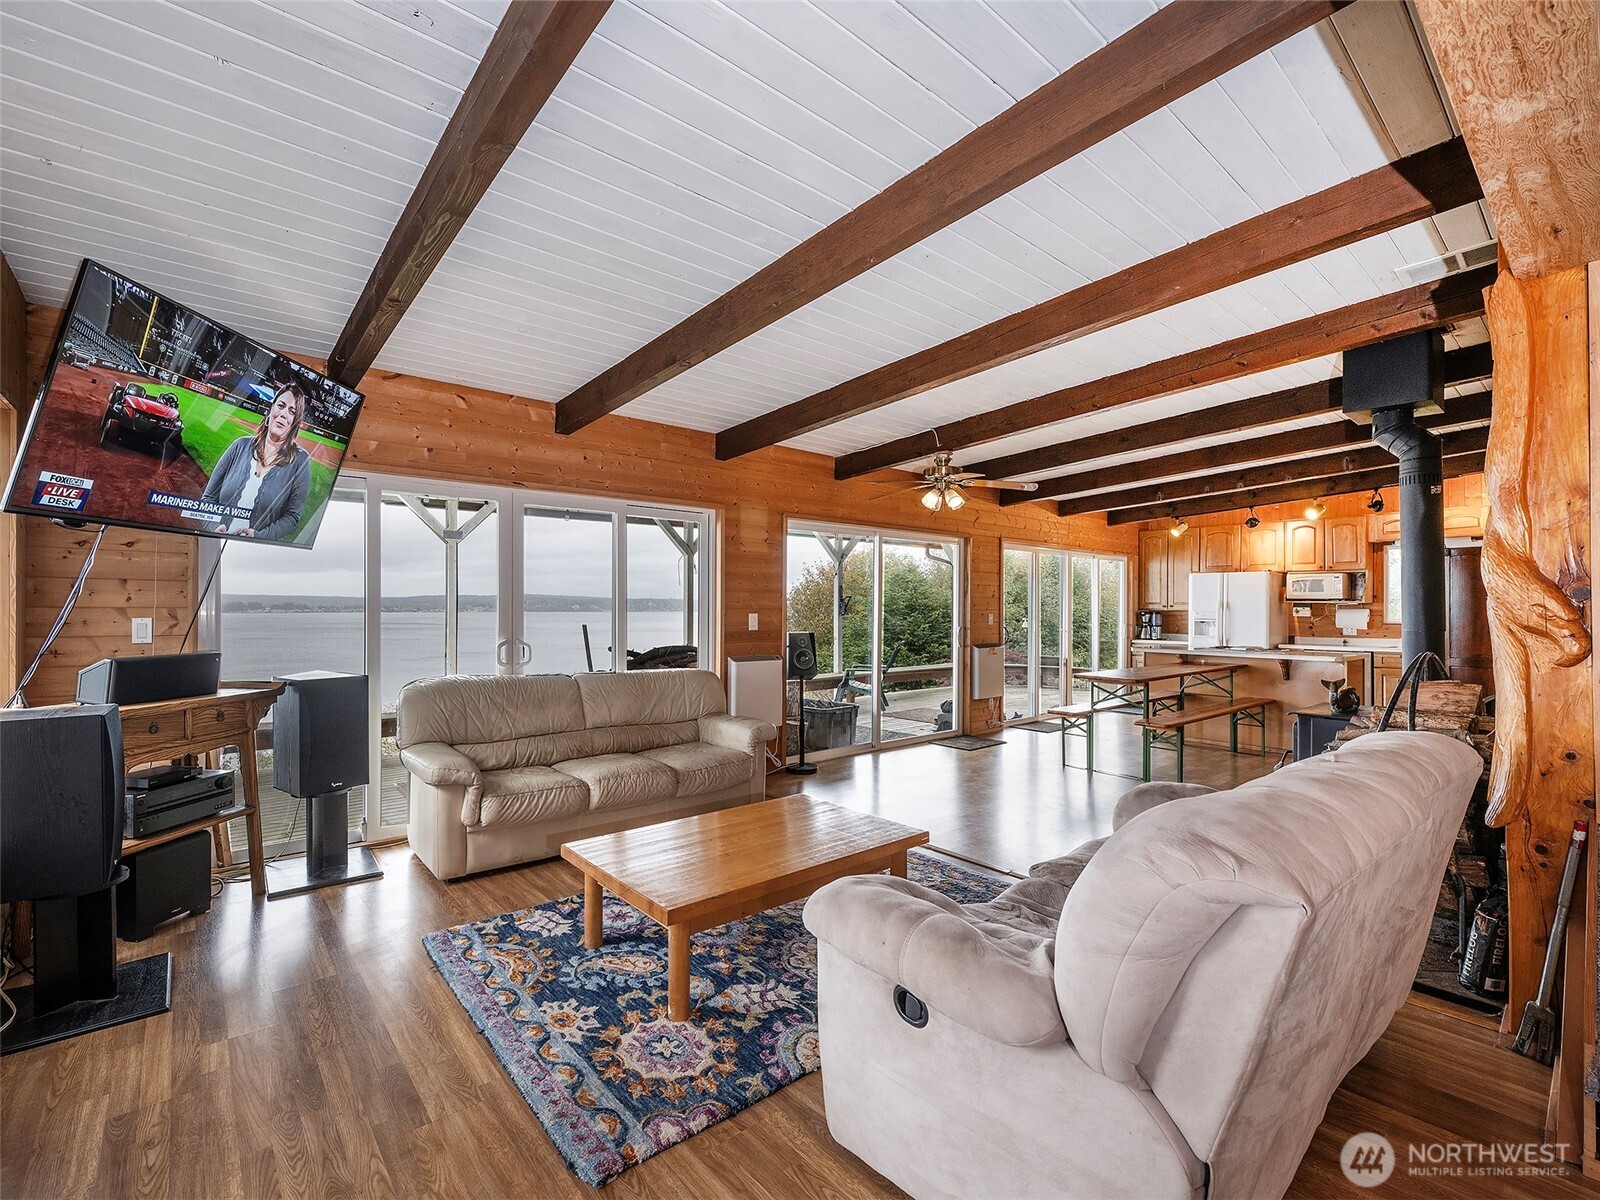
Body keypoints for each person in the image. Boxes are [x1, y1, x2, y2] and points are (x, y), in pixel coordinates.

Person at [200, 382, 311, 540]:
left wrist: (259, 536)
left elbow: (293, 516)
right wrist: (213, 528)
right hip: (215, 543)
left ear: (294, 422)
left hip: (256, 551)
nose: (284, 414)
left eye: (292, 412)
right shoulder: (239, 446)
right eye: (281, 405)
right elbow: (208, 499)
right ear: (271, 409)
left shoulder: (300, 461)